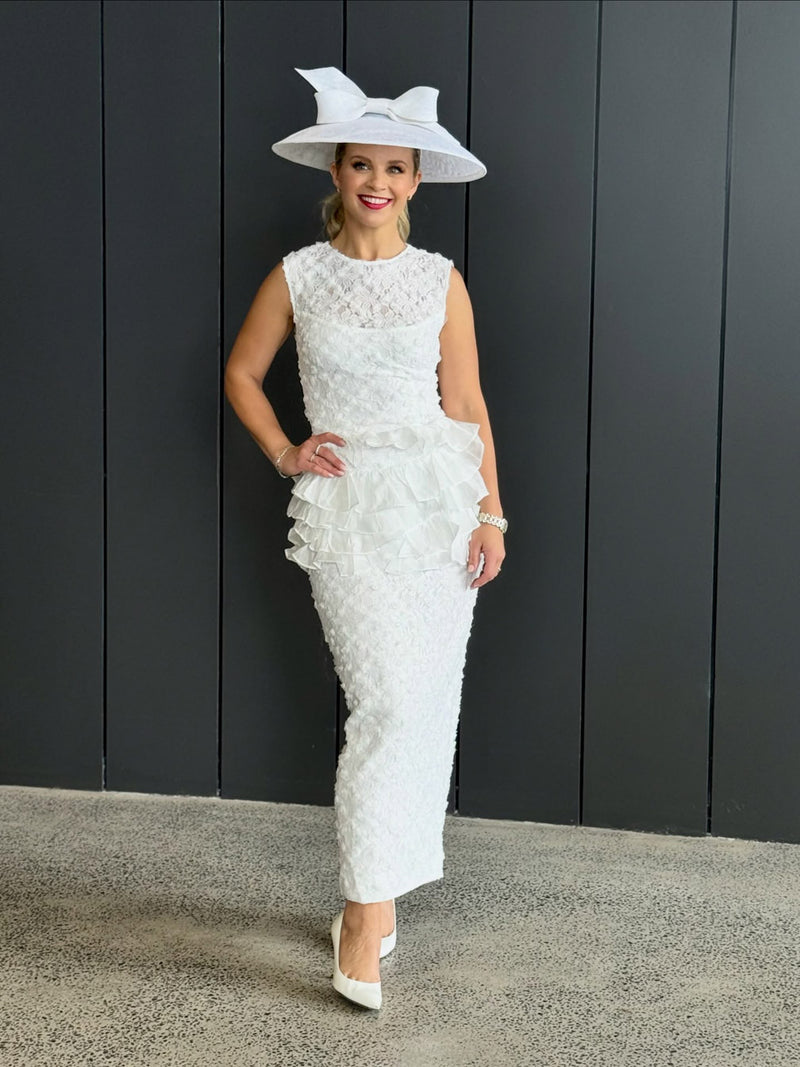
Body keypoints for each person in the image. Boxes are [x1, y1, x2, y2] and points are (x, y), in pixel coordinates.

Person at [224, 67, 506, 1010]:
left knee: (426, 701)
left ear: (416, 180)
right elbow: (243, 373)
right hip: (350, 509)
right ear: (337, 173)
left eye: (395, 166)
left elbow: (464, 404)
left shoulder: (440, 281)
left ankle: (381, 896)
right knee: (384, 697)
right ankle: (359, 910)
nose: (377, 181)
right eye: (360, 165)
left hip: (437, 506)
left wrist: (490, 510)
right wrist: (285, 451)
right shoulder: (300, 274)